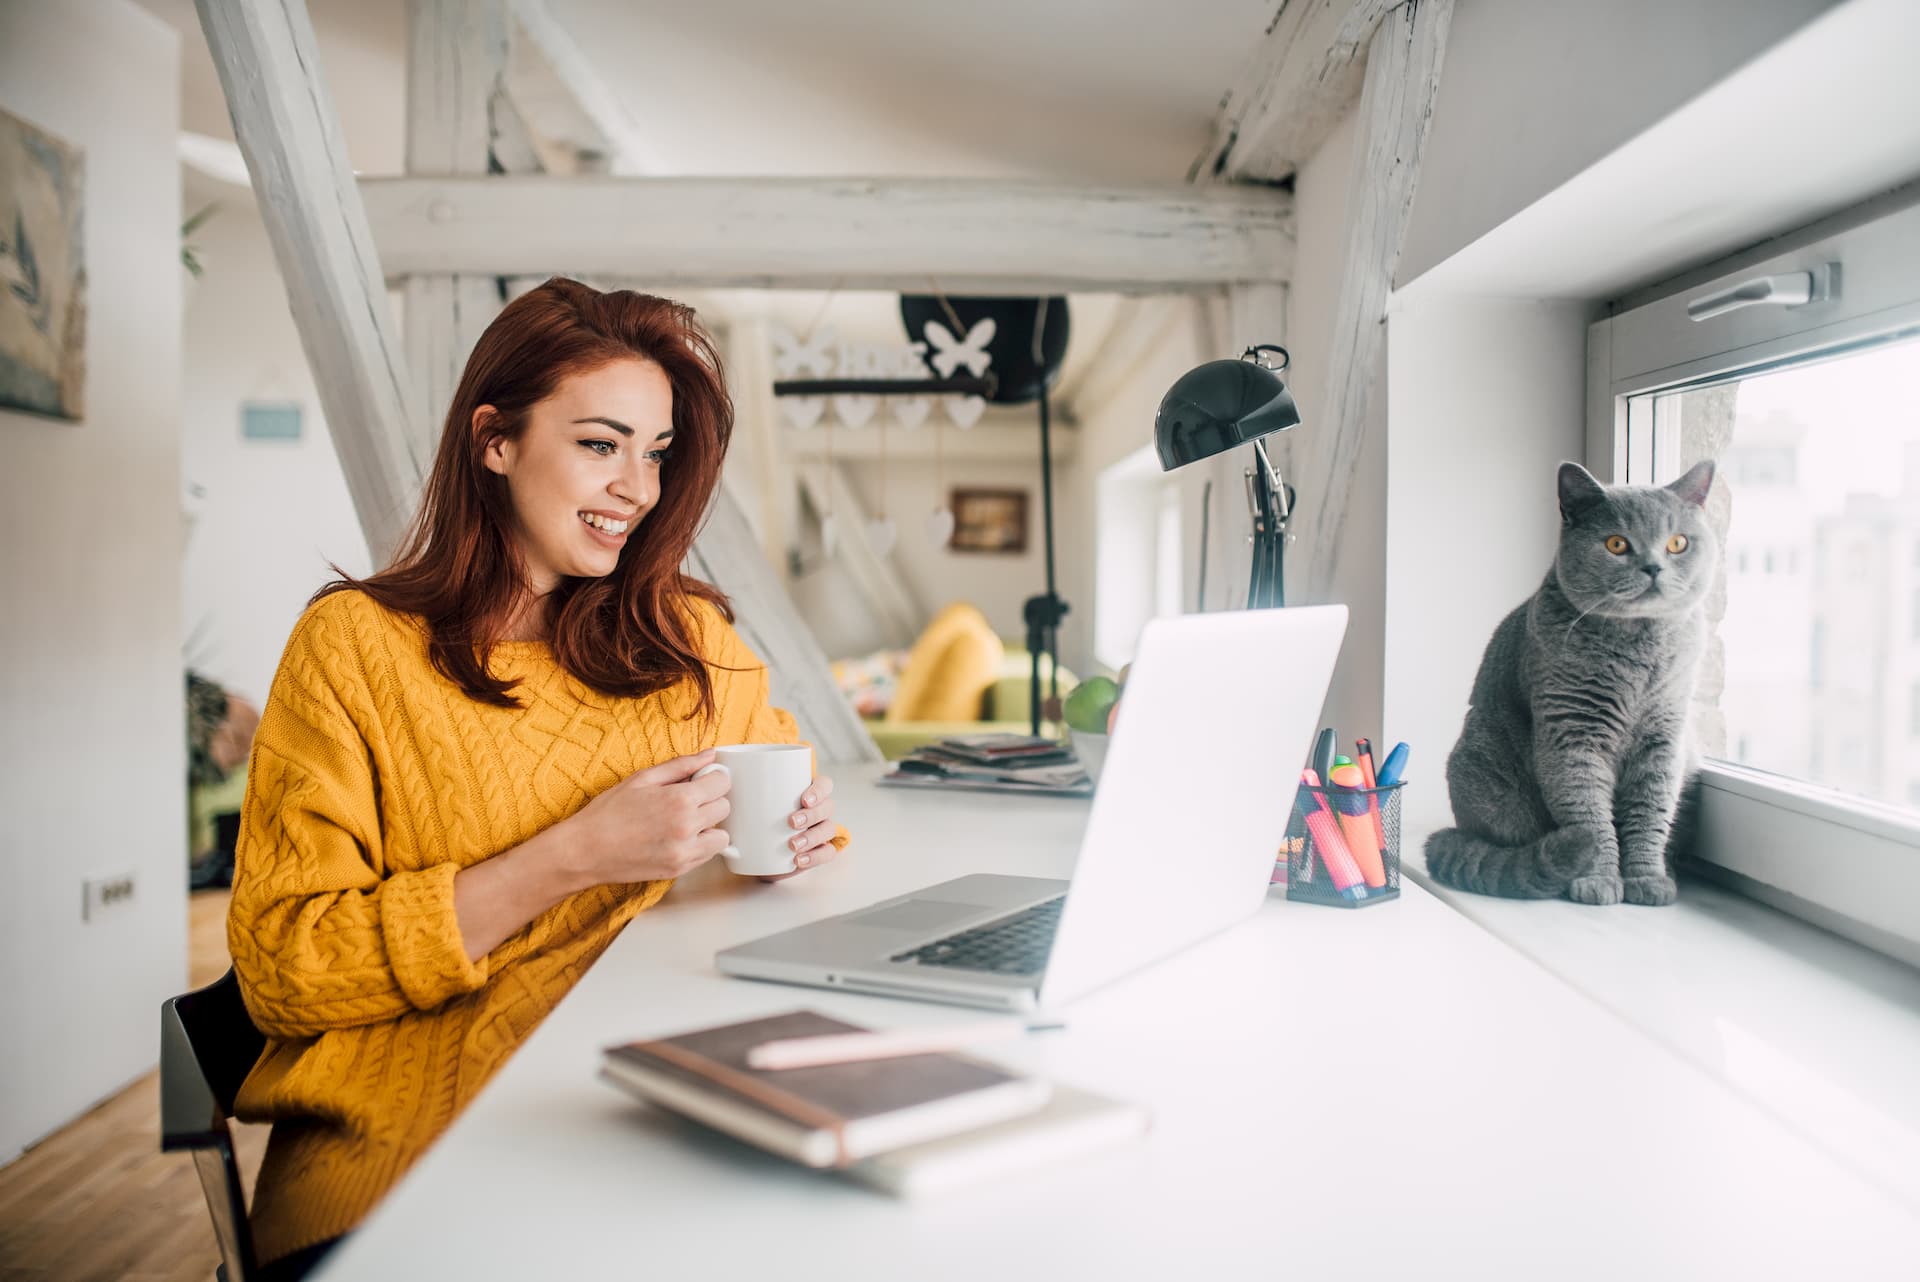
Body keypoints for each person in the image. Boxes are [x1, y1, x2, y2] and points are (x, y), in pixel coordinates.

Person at [226, 278, 847, 1279]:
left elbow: (786, 811)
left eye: (655, 454)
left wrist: (800, 837)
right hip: (413, 1171)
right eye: (601, 444)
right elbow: (283, 966)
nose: (637, 490)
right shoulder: (355, 647)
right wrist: (573, 855)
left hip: (645, 1124)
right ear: (494, 439)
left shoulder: (688, 637)